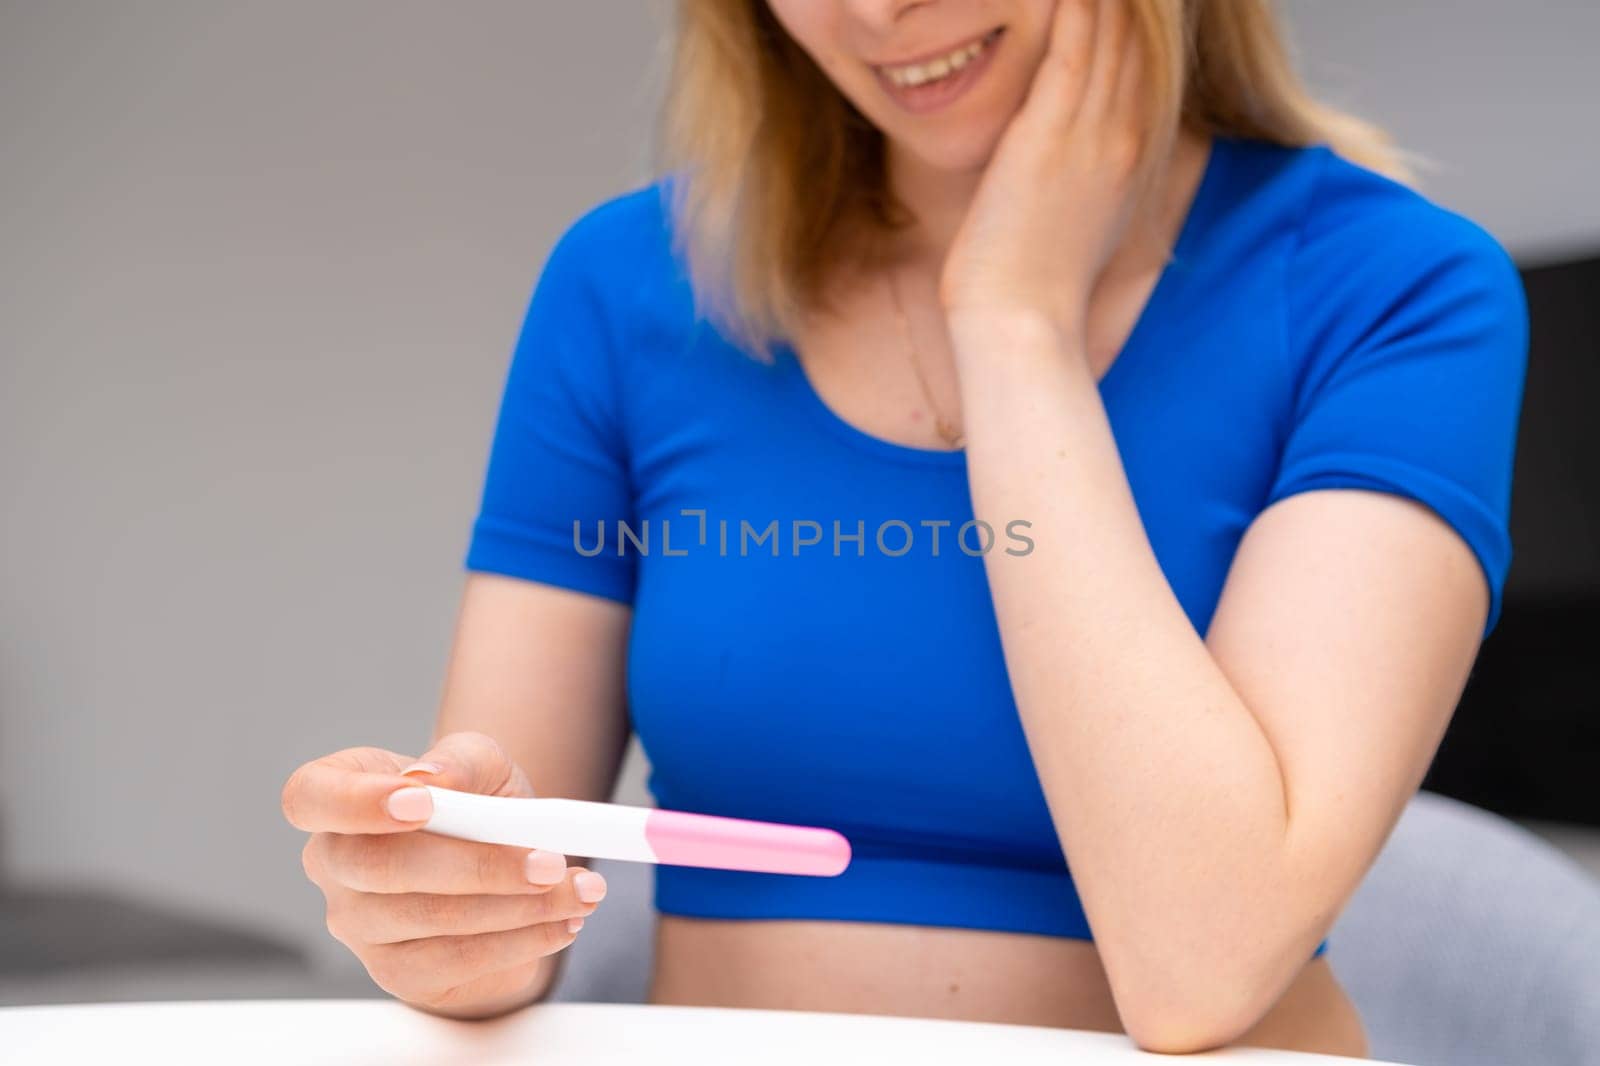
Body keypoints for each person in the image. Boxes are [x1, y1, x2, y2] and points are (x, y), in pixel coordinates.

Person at [280, 0, 1528, 1056]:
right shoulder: (624, 283)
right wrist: (438, 920)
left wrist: (1014, 325)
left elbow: (1201, 963)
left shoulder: (1400, 290)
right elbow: (508, 901)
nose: (876, 10)